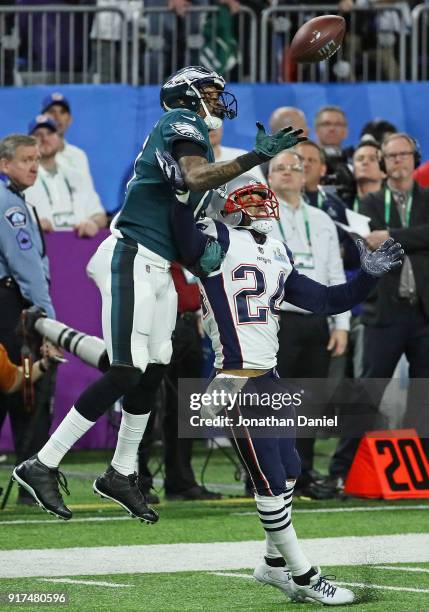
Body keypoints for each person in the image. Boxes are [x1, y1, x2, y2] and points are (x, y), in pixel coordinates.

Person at [13, 65, 305, 522]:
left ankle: (121, 472)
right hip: (132, 252)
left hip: (159, 264)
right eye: (209, 90)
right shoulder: (179, 123)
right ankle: (42, 463)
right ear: (187, 94)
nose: (216, 98)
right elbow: (193, 178)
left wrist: (200, 254)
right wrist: (252, 159)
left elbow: (181, 205)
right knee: (126, 369)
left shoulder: (191, 137)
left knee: (154, 369)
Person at [160, 154, 403, 605]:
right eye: (248, 199)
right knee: (270, 481)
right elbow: (181, 235)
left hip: (269, 377)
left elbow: (327, 300)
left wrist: (366, 279)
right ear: (226, 207)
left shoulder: (275, 249)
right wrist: (179, 196)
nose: (260, 206)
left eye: (261, 199)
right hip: (235, 380)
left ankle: (272, 565)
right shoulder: (213, 240)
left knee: (289, 471)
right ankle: (304, 574)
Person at [328, 132, 429, 481]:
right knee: (367, 392)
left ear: (415, 159)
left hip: (423, 313)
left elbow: (393, 239)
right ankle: (340, 470)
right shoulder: (370, 203)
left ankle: (422, 471)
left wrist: (393, 236)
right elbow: (367, 245)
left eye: (404, 154)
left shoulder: (428, 198)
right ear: (384, 163)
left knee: (424, 396)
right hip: (384, 311)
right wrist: (410, 237)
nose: (399, 160)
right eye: (392, 155)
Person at [266, 149, 350, 496]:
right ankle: (270, 471)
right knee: (273, 402)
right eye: (279, 168)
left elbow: (335, 273)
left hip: (316, 321)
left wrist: (341, 324)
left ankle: (304, 473)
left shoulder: (322, 219)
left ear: (306, 176)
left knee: (309, 402)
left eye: (294, 168)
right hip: (276, 319)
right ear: (268, 178)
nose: (287, 173)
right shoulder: (261, 218)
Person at [0, 134, 56, 503]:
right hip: (14, 306)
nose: (33, 166)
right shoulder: (12, 208)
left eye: (36, 159)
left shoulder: (16, 200)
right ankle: (30, 482)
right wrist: (48, 321)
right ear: (5, 164)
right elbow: (28, 270)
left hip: (8, 301)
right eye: (24, 159)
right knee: (30, 390)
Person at [24, 115, 107, 237]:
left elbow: (100, 215)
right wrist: (30, 226)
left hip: (79, 246)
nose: (44, 138)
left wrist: (93, 223)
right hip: (41, 248)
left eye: (50, 133)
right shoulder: (22, 181)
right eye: (38, 134)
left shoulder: (77, 176)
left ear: (59, 139)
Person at [41, 92, 99, 189]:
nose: (57, 117)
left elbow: (89, 196)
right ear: (42, 119)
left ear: (69, 120)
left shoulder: (78, 156)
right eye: (51, 111)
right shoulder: (32, 155)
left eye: (62, 112)